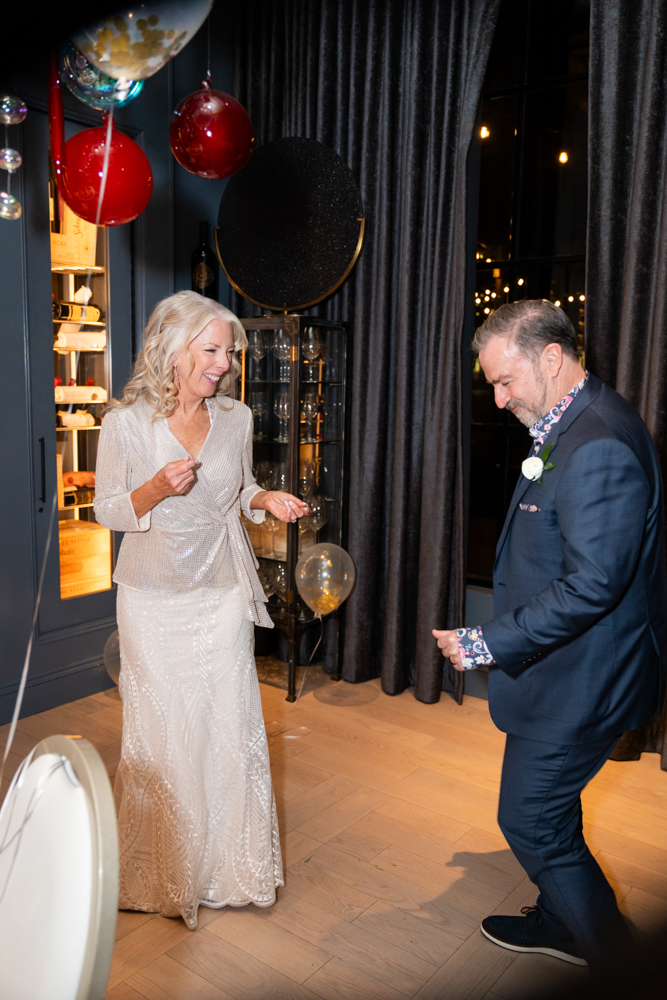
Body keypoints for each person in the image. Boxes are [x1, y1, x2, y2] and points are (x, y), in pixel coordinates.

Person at [433, 300, 666, 972]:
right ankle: (560, 918)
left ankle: (616, 962)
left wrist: (485, 642)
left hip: (586, 678)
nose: (499, 399)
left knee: (529, 818)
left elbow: (592, 585)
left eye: (506, 381)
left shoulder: (597, 445)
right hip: (569, 667)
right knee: (549, 811)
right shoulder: (575, 420)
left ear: (552, 358)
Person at [94, 290, 309, 929]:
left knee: (224, 724)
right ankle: (163, 872)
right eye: (212, 350)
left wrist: (264, 499)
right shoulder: (125, 424)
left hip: (221, 592)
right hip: (152, 597)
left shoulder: (236, 418)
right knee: (161, 733)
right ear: (174, 350)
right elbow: (107, 510)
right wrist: (155, 488)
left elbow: (238, 489)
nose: (225, 364)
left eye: (229, 352)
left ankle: (224, 871)